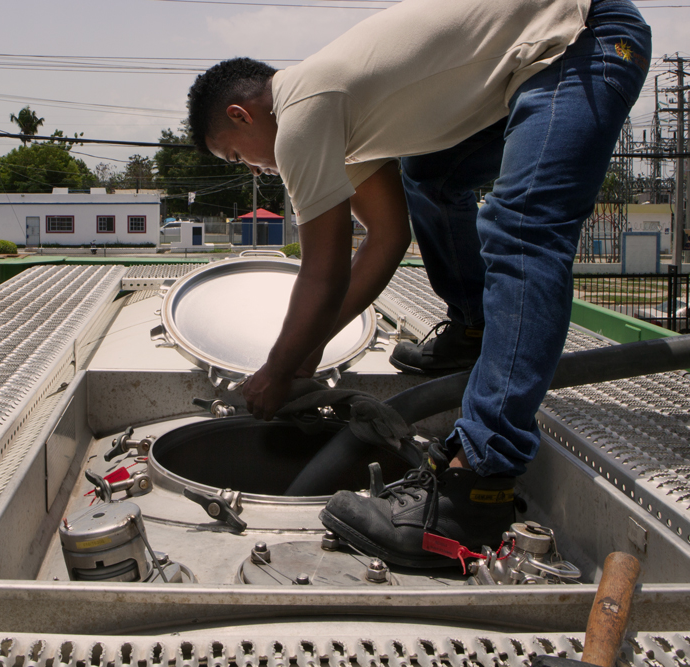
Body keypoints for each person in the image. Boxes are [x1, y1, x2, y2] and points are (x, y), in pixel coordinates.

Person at [186, 0, 650, 566]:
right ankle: (475, 330)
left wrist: (278, 369)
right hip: (536, 61)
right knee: (430, 175)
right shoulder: (336, 116)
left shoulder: (302, 113)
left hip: (581, 39)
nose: (255, 169)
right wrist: (305, 353)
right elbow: (386, 237)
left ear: (241, 115)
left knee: (521, 229)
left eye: (238, 156)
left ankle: (477, 482)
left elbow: (325, 269)